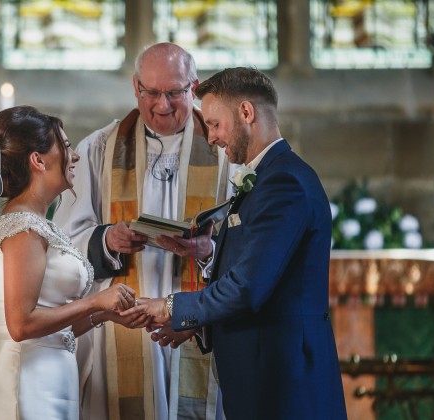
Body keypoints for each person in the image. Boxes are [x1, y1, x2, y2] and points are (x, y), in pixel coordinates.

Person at [123, 67, 348, 419]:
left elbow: (248, 287)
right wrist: (199, 322)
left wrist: (171, 305)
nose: (210, 137)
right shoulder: (265, 179)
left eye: (214, 124)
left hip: (284, 383)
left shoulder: (283, 182)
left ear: (246, 112)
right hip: (263, 375)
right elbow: (260, 279)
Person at [54, 43, 232, 419]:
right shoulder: (99, 149)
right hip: (125, 322)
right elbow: (63, 243)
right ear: (136, 87)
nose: (163, 105)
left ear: (194, 87)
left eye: (174, 93)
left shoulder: (224, 151)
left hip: (196, 322)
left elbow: (249, 246)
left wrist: (208, 250)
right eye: (152, 92)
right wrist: (107, 240)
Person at [0, 106, 137, 420]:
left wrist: (103, 314)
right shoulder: (23, 228)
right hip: (26, 382)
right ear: (38, 160)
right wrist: (95, 300)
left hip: (50, 377)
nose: (75, 157)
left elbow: (53, 326)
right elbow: (20, 324)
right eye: (66, 147)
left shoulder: (41, 224)